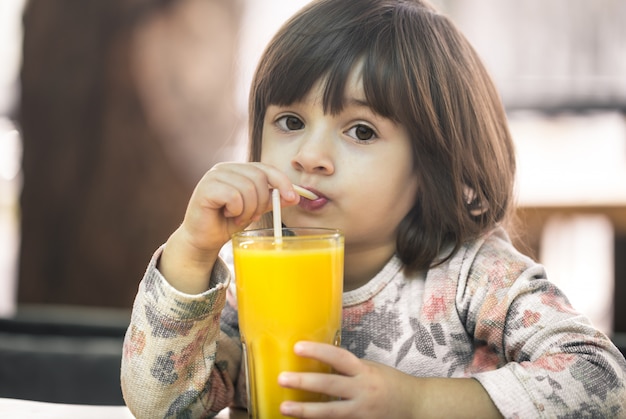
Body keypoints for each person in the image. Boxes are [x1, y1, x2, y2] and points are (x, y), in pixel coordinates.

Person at [120, 0, 626, 417]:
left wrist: (417, 402)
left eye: (360, 131)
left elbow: (602, 383)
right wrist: (191, 251)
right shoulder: (259, 274)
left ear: (433, 164)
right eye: (290, 121)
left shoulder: (476, 278)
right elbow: (161, 406)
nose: (309, 156)